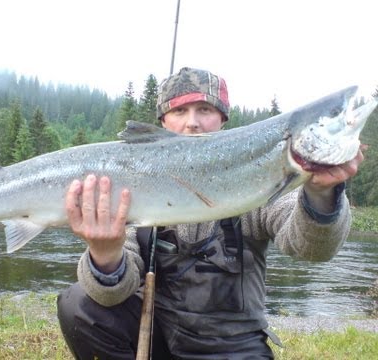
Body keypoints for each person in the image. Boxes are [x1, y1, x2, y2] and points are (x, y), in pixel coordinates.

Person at [57, 67, 364, 359]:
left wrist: (322, 194)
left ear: (222, 120)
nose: (192, 123)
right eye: (179, 111)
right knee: (78, 304)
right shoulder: (131, 190)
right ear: (163, 122)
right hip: (159, 338)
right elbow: (110, 296)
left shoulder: (258, 178)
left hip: (236, 346)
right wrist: (105, 255)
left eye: (205, 110)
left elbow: (312, 248)